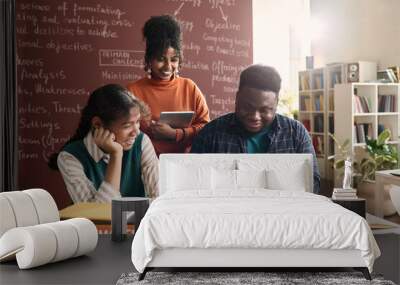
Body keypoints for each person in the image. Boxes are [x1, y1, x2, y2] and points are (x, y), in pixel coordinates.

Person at [191, 64, 320, 194]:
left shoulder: (296, 134)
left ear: (276, 104)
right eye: (247, 107)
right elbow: (193, 182)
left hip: (283, 210)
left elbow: (312, 183)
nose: (255, 117)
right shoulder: (211, 134)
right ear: (237, 98)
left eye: (265, 110)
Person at [48, 84, 159, 203]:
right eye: (127, 125)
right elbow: (96, 213)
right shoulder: (69, 157)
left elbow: (161, 199)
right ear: (97, 124)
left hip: (140, 221)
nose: (136, 132)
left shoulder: (142, 142)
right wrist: (116, 155)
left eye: (137, 122)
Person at [127, 15, 210, 155]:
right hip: (142, 165)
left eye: (174, 59)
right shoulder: (132, 91)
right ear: (149, 59)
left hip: (184, 164)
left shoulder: (190, 88)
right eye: (160, 59)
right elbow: (124, 131)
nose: (168, 66)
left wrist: (176, 134)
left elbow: (206, 127)